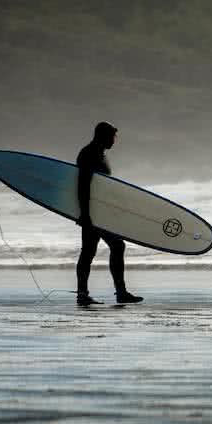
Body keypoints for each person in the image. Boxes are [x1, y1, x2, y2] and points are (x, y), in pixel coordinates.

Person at [75, 121, 142, 305]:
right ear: (103, 136)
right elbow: (83, 185)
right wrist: (85, 213)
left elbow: (103, 187)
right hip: (93, 213)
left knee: (90, 251)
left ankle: (86, 294)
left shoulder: (101, 155)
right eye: (112, 137)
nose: (114, 141)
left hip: (101, 213)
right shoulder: (89, 154)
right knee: (110, 247)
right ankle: (113, 293)